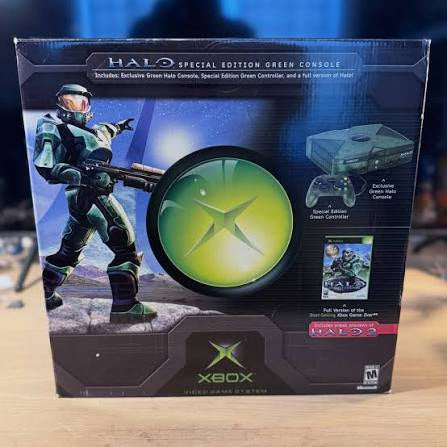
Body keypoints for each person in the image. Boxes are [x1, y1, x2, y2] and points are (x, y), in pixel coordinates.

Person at [34, 84, 156, 323]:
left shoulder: (94, 133)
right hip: (93, 197)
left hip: (81, 201)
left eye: (80, 102)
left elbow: (106, 130)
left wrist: (121, 125)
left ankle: (43, 294)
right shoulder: (53, 128)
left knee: (68, 252)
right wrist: (79, 174)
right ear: (59, 103)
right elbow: (46, 166)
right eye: (68, 101)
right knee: (125, 247)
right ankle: (125, 306)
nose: (74, 107)